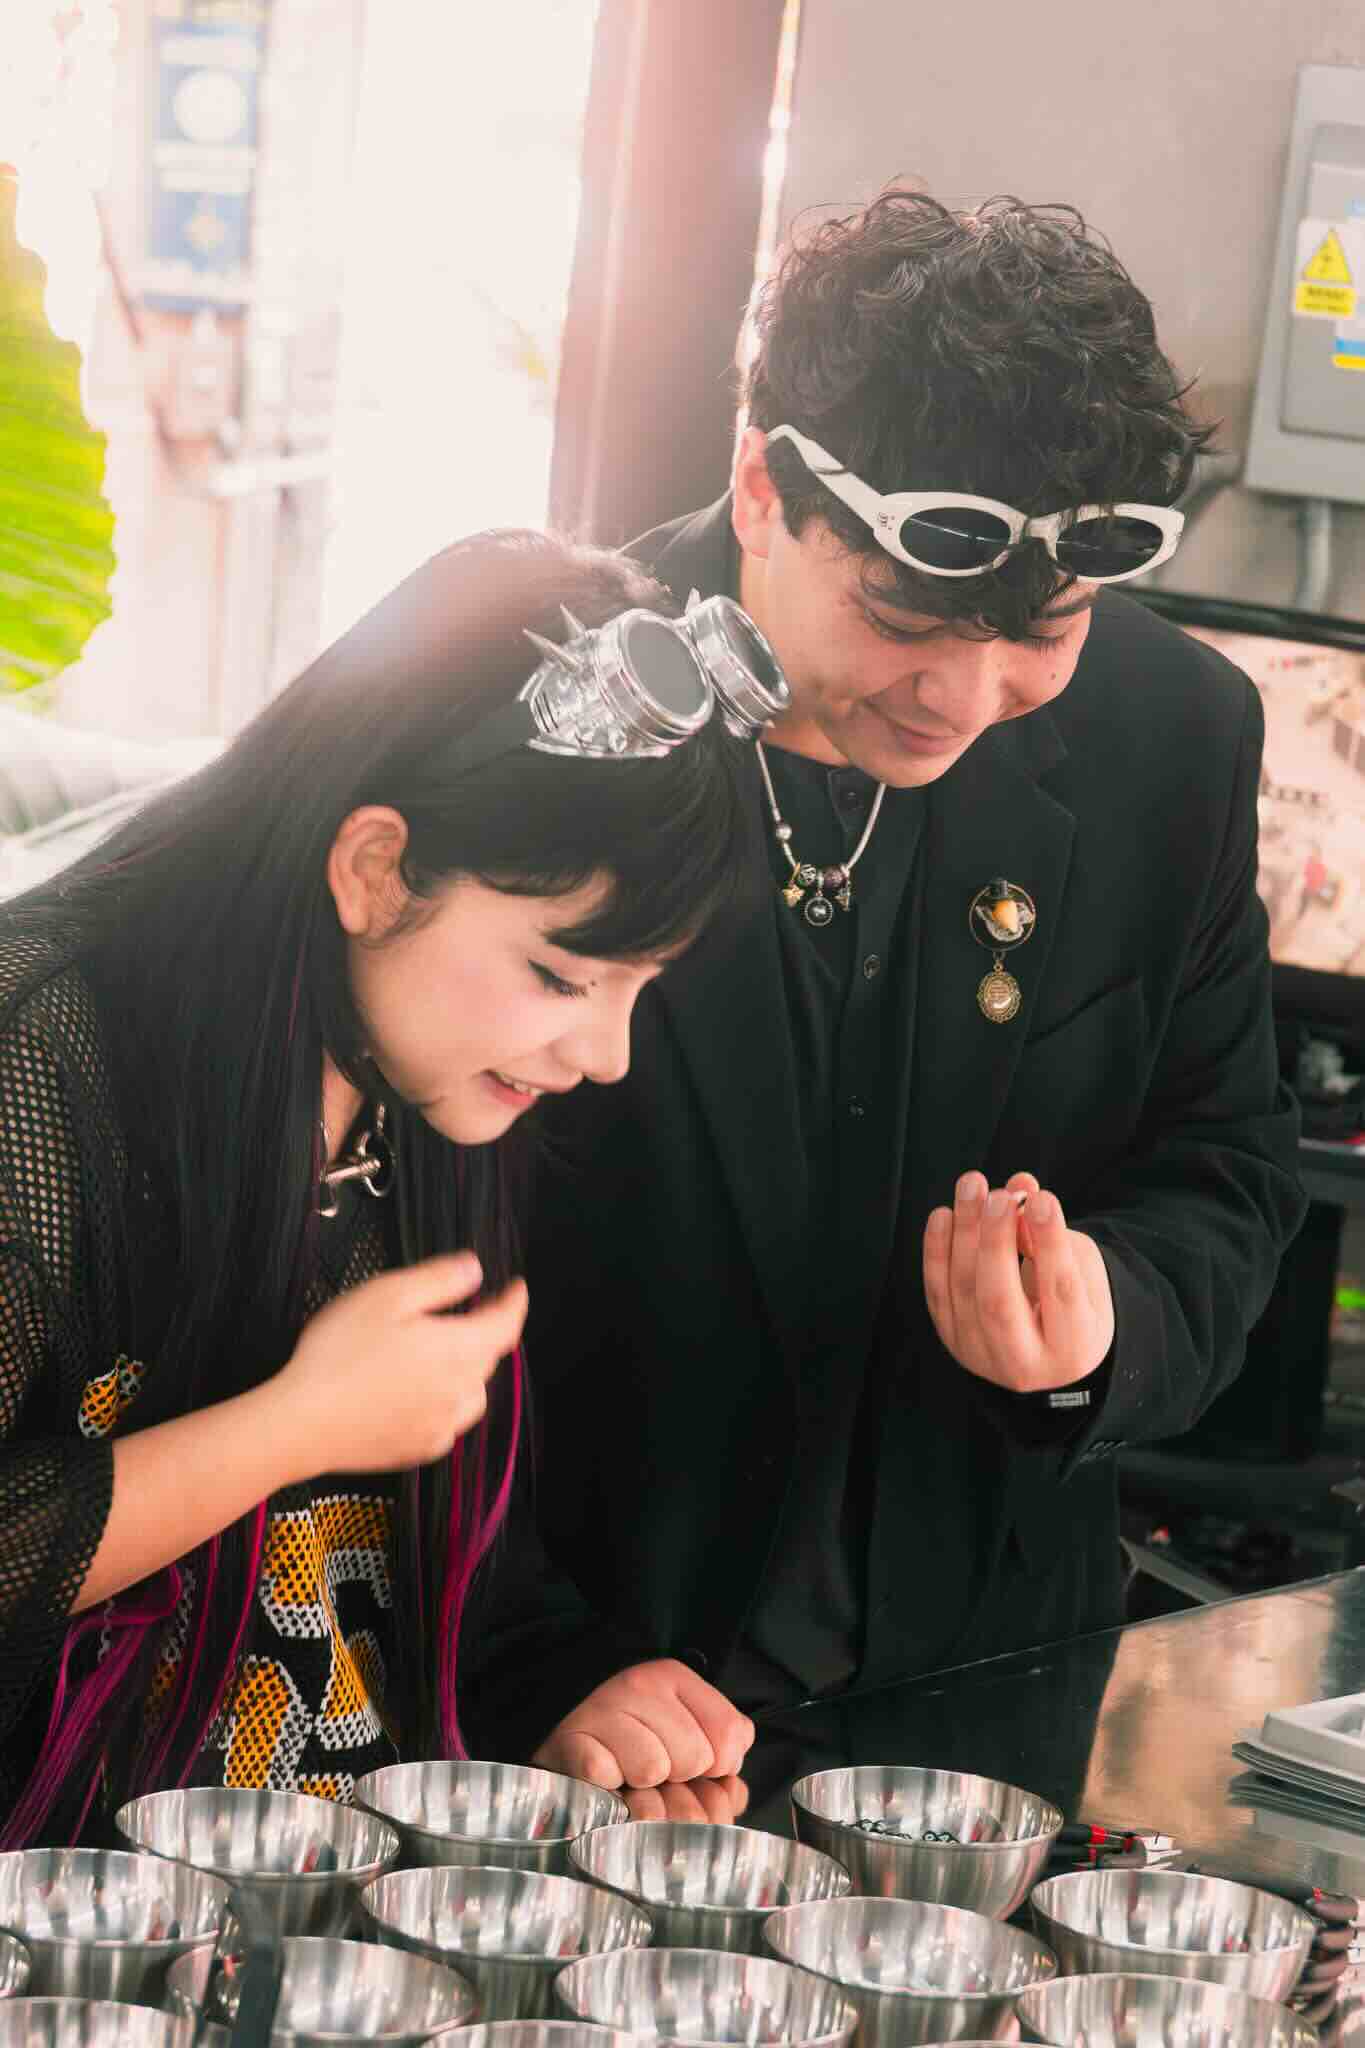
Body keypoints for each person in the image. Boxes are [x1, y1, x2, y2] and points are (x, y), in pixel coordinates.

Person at [495, 190, 1307, 1773]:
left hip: (979, 1683)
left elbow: (1223, 1159)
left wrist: (1100, 1327)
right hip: (585, 1676)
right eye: (903, 619)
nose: (964, 697)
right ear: (761, 488)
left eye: (1042, 633)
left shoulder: (1170, 736)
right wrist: (528, 1648)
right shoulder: (552, 691)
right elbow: (362, 1235)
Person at [0, 528, 774, 1845]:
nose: (604, 1055)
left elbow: (431, 1576)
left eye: (640, 988)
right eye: (560, 975)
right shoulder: (42, 1057)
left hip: (329, 1901)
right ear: (372, 869)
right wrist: (293, 1425)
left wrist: (567, 1688)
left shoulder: (428, 1082)